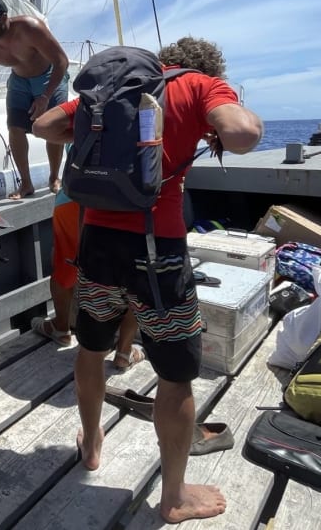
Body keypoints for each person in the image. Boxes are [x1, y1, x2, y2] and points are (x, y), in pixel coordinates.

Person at [38, 43, 262, 523]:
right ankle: (175, 494)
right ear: (210, 69)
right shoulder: (201, 86)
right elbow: (241, 134)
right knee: (176, 375)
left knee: (90, 349)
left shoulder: (111, 90)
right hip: (157, 255)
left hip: (96, 243)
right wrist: (221, 116)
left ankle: (93, 442)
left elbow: (43, 126)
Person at [31, 122, 143, 371]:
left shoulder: (90, 100)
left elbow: (43, 125)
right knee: (138, 279)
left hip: (73, 200)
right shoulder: (154, 103)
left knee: (65, 266)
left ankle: (61, 329)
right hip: (133, 202)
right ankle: (123, 352)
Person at [0, 0, 71, 198]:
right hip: (19, 81)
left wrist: (45, 96)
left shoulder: (30, 28)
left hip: (50, 76)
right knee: (14, 128)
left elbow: (62, 61)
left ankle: (54, 177)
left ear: (3, 17)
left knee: (51, 126)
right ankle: (26, 184)